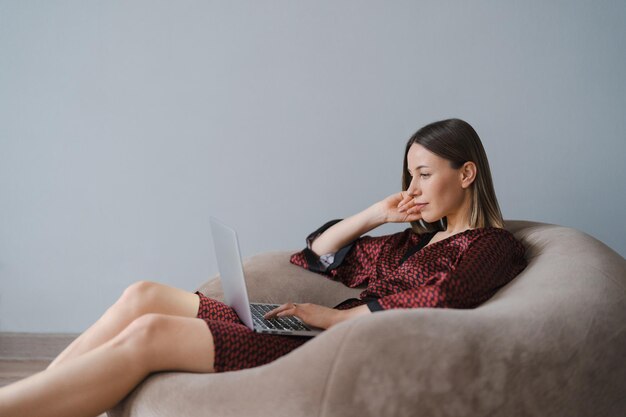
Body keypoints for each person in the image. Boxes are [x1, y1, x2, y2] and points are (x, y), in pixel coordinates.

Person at [0, 118, 527, 417]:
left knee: (151, 331)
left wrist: (331, 320)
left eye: (423, 175)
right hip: (307, 327)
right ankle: (40, 397)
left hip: (323, 347)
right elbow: (317, 256)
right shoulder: (411, 244)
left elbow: (440, 300)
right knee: (143, 294)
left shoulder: (489, 246)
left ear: (466, 173)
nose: (411, 190)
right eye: (408, 176)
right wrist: (373, 215)